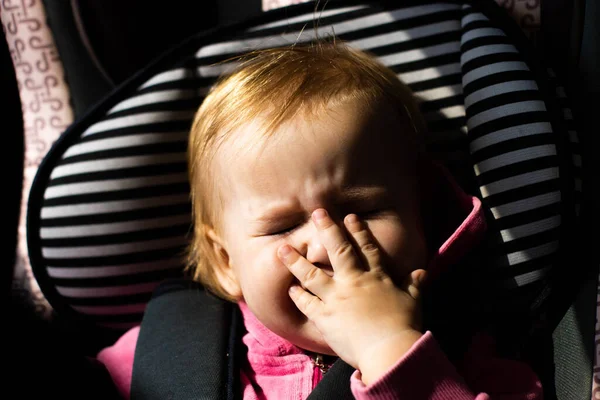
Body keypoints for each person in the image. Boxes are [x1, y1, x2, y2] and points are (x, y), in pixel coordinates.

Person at [97, 42, 543, 399]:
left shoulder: (467, 353)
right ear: (226, 261)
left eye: (362, 211)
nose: (328, 246)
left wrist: (390, 350)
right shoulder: (162, 353)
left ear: (424, 217)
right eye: (282, 227)